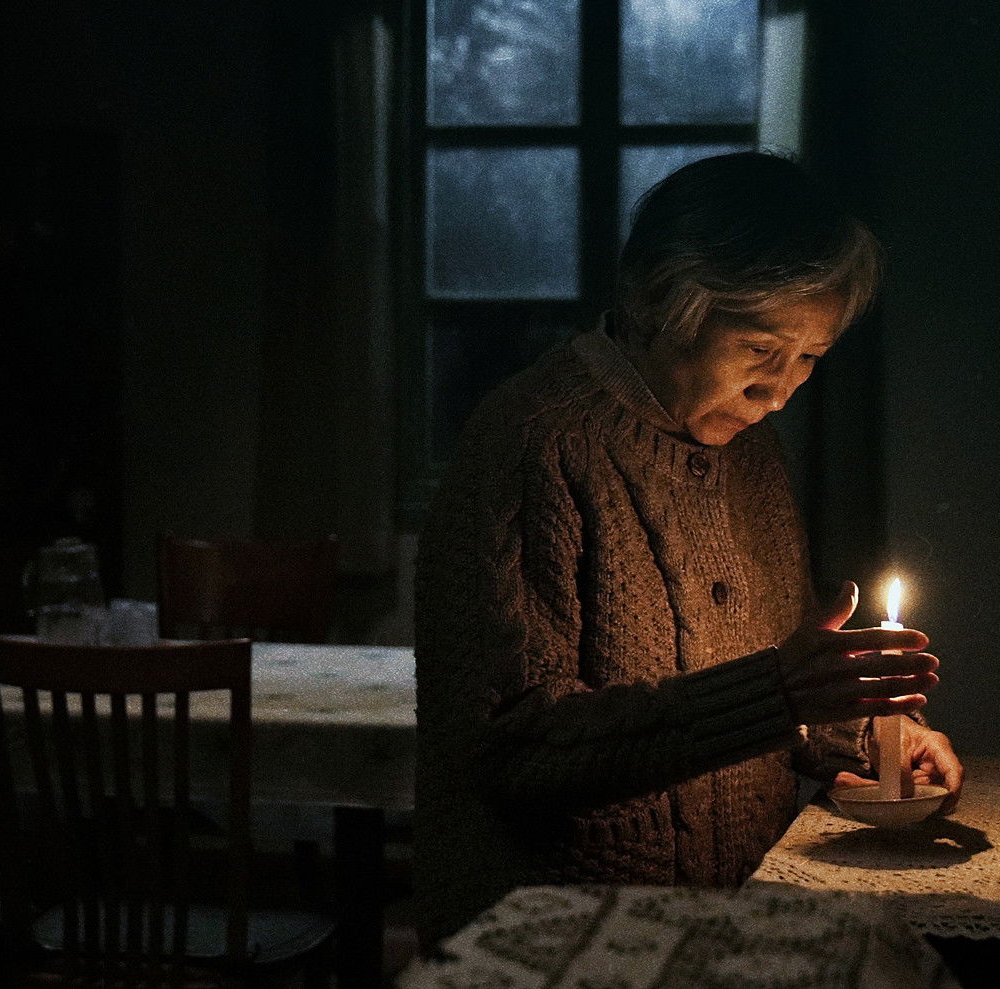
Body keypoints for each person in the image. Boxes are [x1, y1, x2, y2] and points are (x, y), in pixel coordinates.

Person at [412, 151, 964, 946]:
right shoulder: (535, 447)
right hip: (561, 944)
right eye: (759, 350)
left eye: (809, 358)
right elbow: (514, 750)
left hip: (723, 930)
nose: (779, 392)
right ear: (661, 303)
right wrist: (780, 694)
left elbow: (775, 689)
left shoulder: (752, 453)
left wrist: (871, 740)